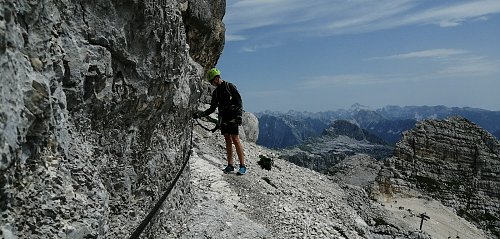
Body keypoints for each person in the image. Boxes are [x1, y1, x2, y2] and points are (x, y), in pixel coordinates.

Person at [193, 68, 247, 175]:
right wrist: (200, 115)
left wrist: (239, 116)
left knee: (235, 139)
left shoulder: (229, 86)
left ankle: (242, 166)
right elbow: (212, 108)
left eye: (212, 81)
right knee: (227, 139)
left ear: (217, 78)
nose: (212, 83)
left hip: (232, 117)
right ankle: (230, 165)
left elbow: (239, 101)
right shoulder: (216, 92)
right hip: (224, 118)